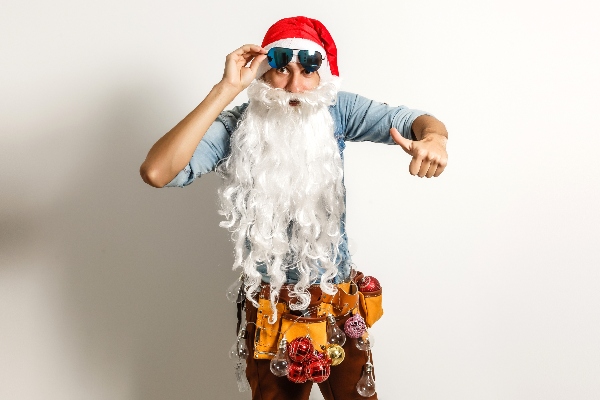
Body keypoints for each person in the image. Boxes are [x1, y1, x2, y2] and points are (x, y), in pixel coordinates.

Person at [140, 16, 447, 400]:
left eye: (308, 71)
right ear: (263, 73)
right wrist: (225, 88)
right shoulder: (238, 125)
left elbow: (413, 120)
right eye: (281, 69)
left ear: (324, 75)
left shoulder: (337, 111)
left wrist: (433, 139)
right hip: (268, 309)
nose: (294, 87)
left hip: (336, 301)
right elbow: (157, 171)